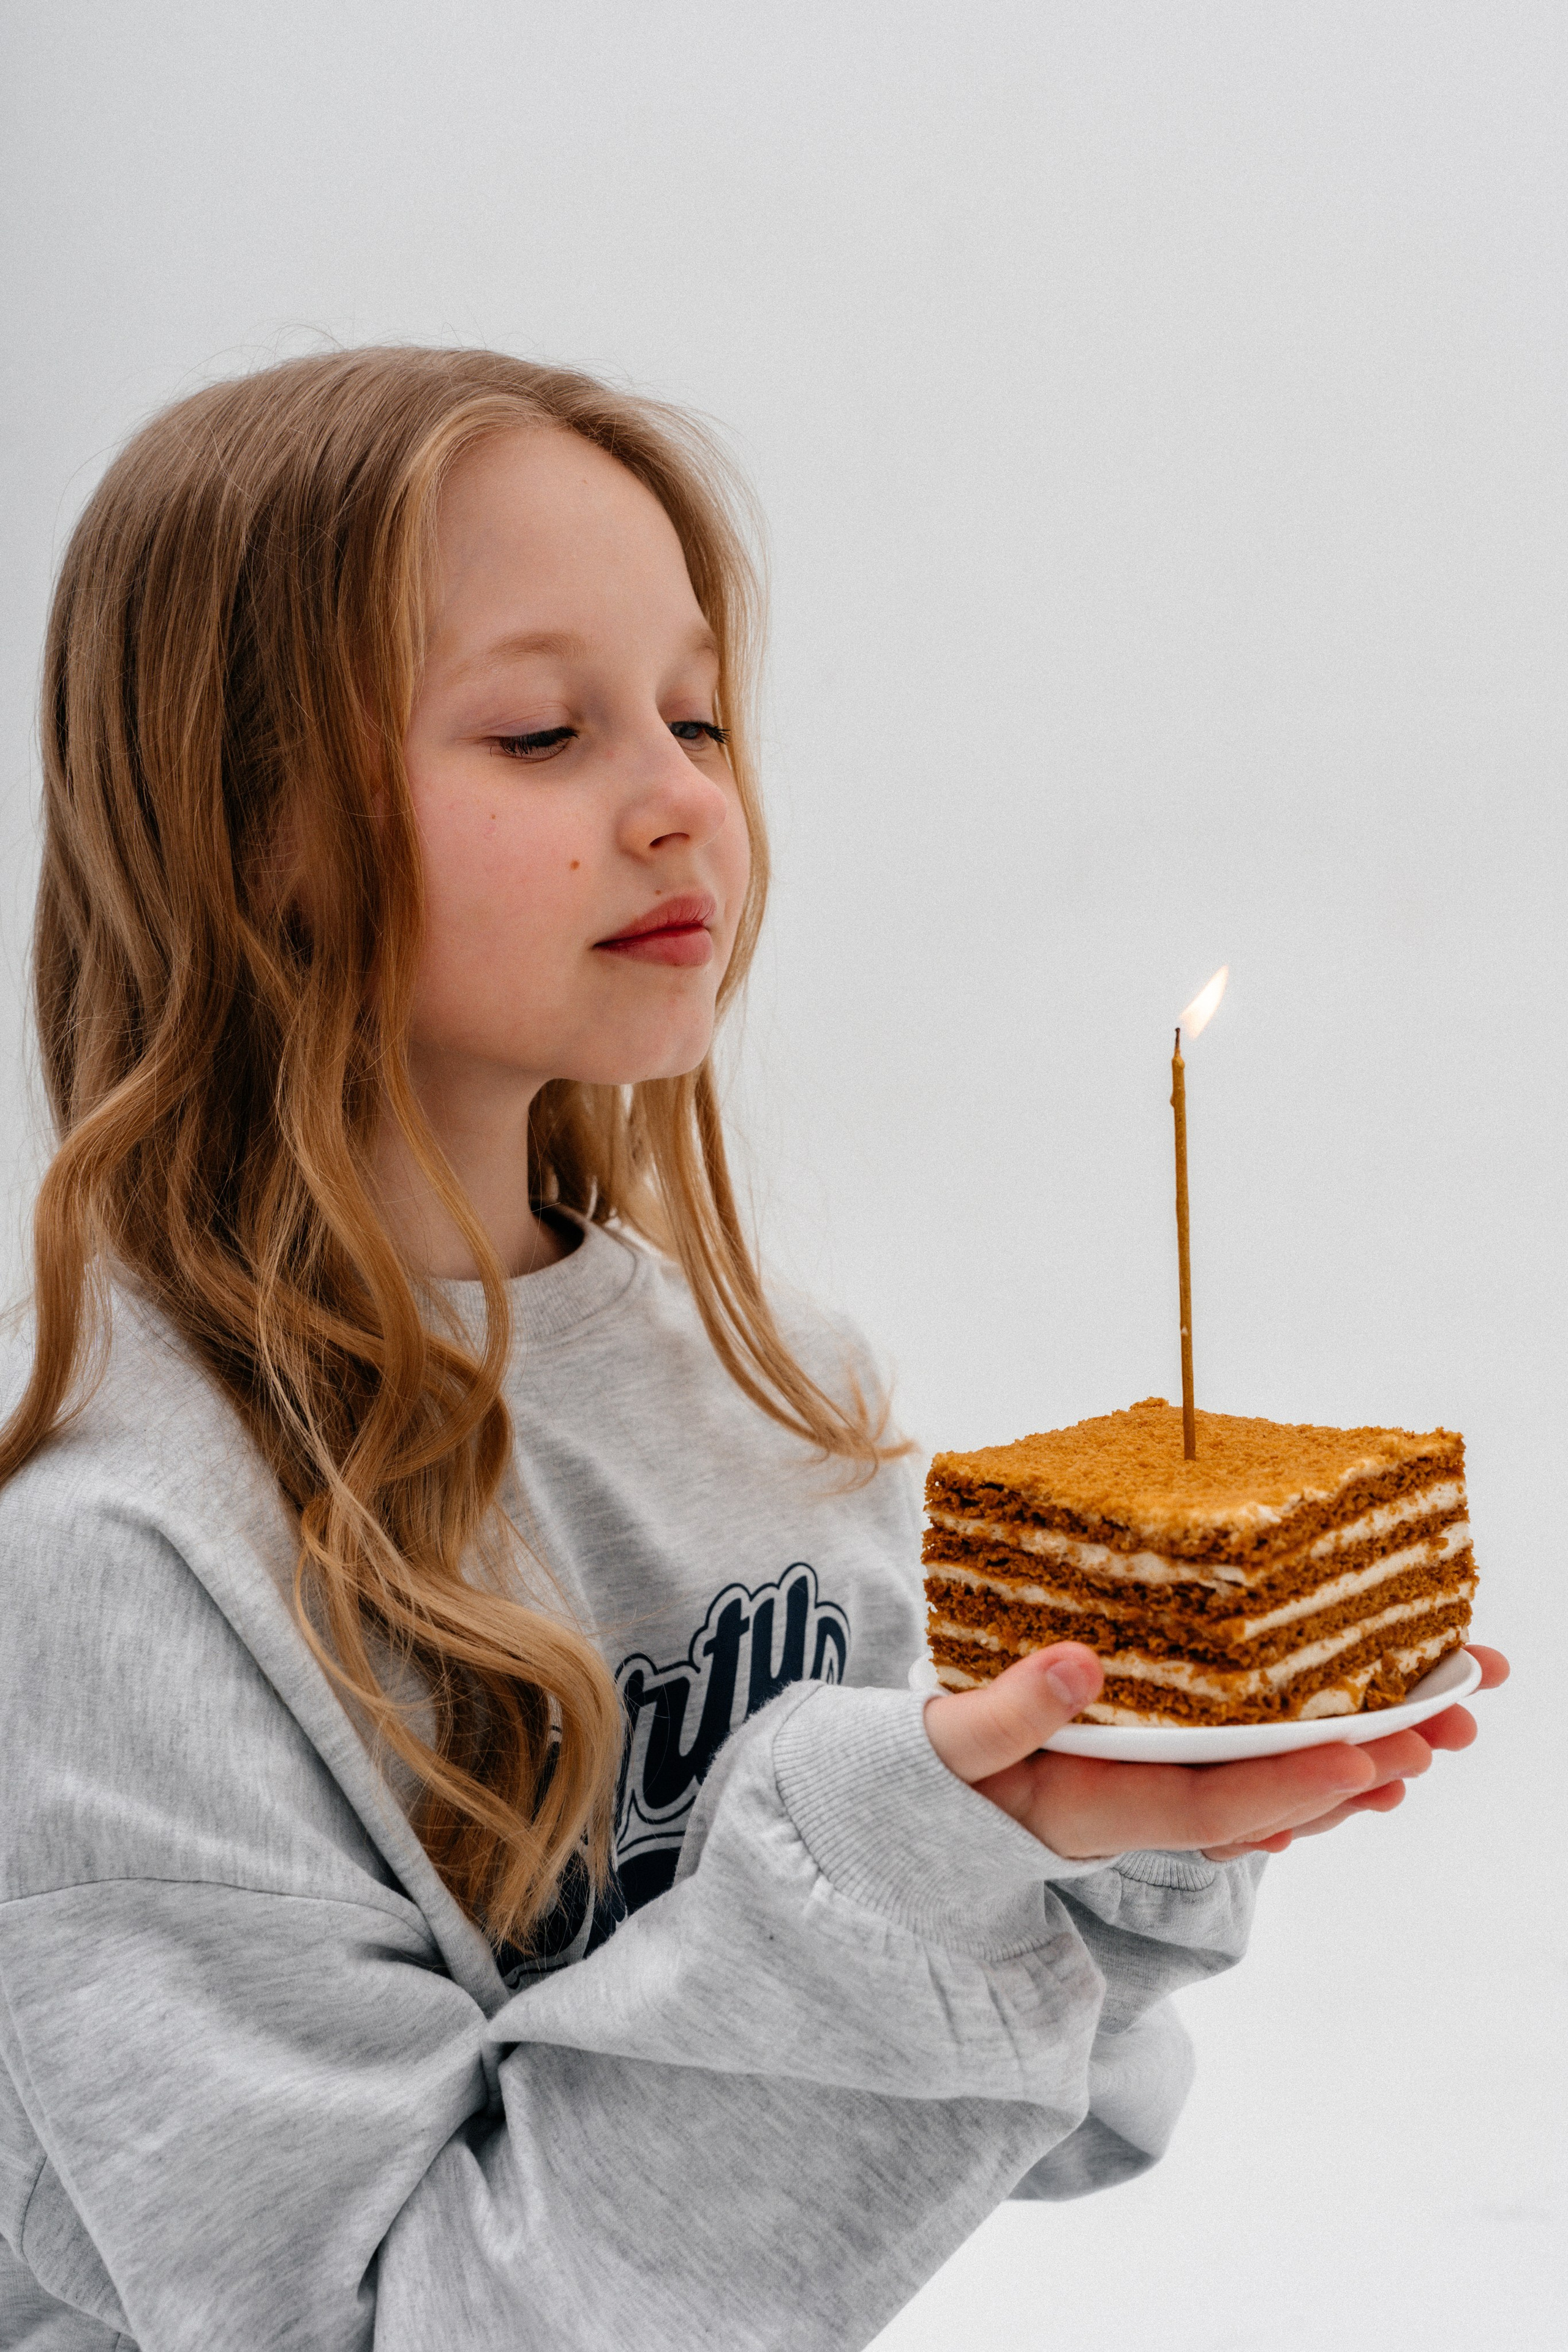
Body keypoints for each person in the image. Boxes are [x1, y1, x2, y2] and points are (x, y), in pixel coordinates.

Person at [0, 348, 1506, 2351]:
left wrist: (1132, 1815)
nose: (682, 796)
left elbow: (1018, 2116)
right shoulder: (115, 1571)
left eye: (699, 715)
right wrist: (921, 1862)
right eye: (543, 732)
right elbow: (380, 2319)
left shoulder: (768, 1382)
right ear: (252, 824)